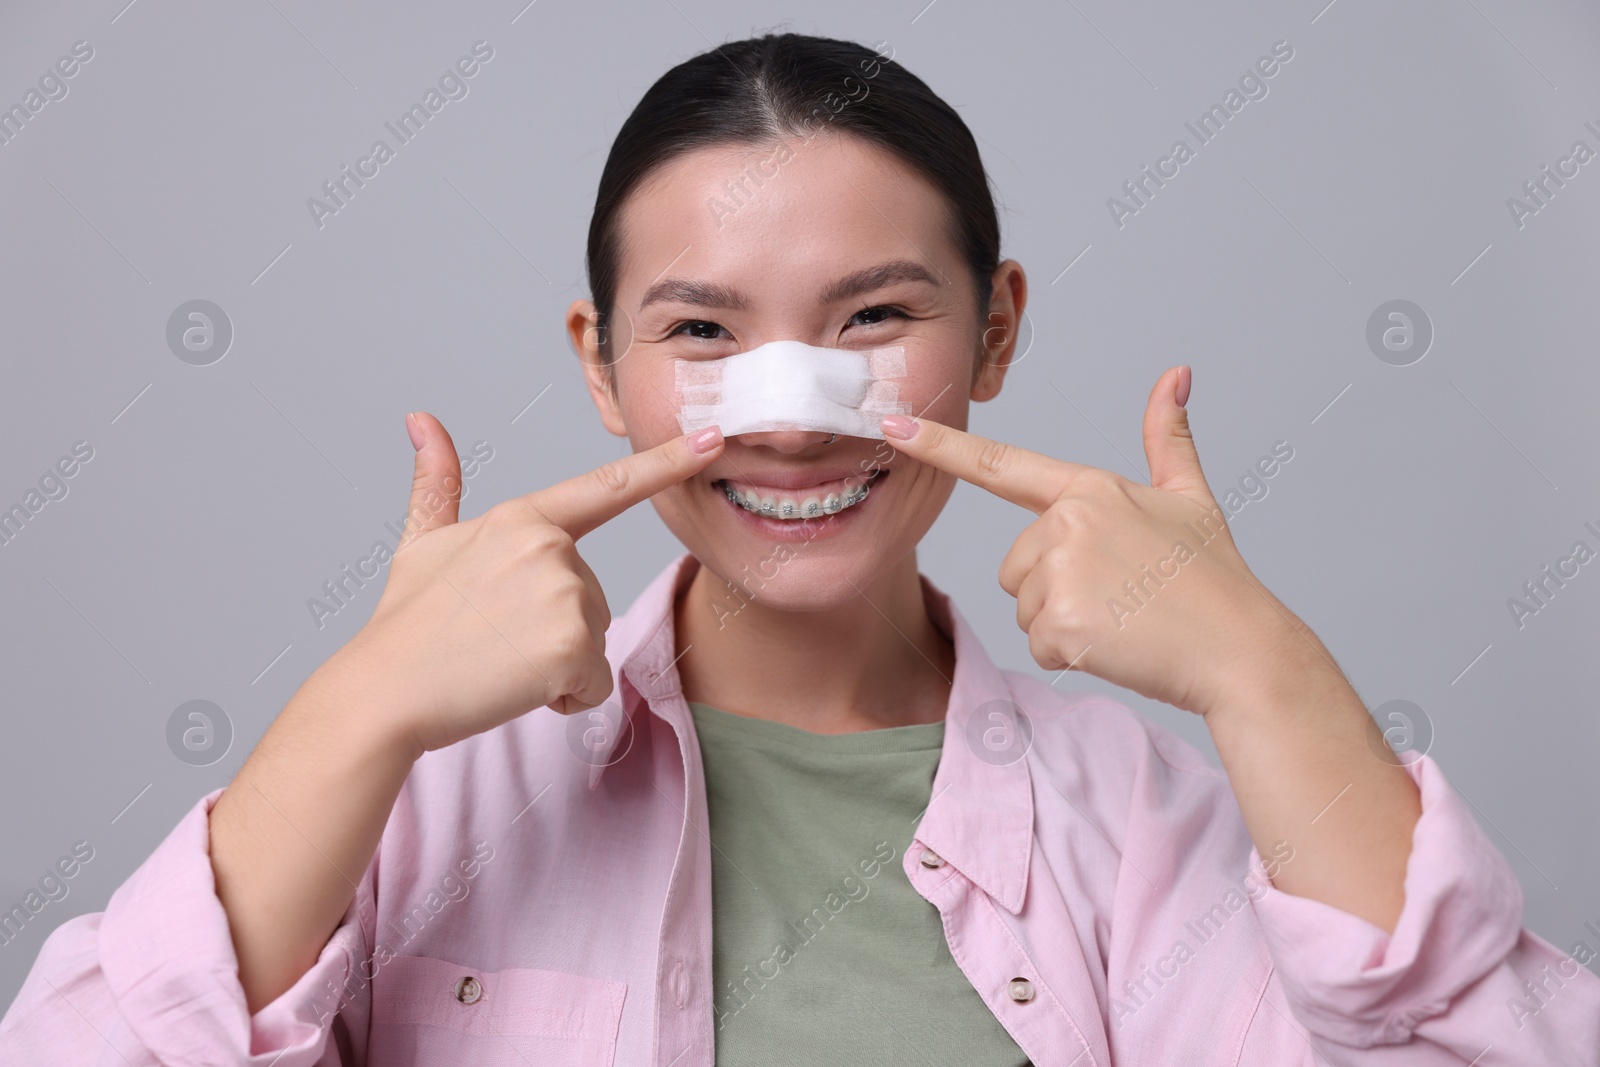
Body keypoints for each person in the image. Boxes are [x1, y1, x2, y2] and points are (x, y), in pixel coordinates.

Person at [2, 31, 1596, 1067]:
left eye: (876, 319)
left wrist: (1266, 675)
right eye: (702, 331)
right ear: (599, 360)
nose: (789, 418)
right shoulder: (421, 804)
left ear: (998, 329)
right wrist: (352, 715)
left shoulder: (1137, 832)